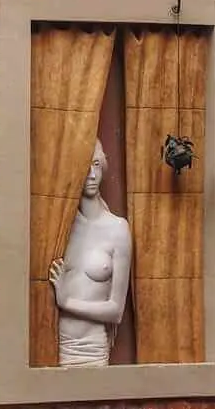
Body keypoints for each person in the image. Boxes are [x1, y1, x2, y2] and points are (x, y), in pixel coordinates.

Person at [49, 139, 132, 367]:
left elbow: (116, 310)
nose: (91, 174)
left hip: (94, 349)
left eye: (96, 164)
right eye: (84, 165)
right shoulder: (58, 229)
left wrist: (67, 302)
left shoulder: (117, 228)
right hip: (57, 346)